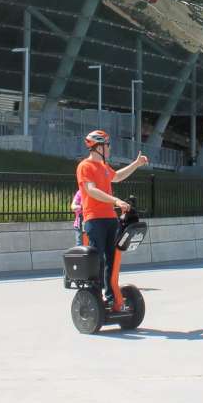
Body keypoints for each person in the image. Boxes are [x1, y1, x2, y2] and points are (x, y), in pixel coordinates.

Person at [76, 130, 149, 307]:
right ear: (98, 146)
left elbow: (117, 176)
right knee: (97, 259)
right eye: (107, 145)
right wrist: (115, 200)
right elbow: (91, 190)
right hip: (94, 219)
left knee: (112, 260)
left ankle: (110, 297)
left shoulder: (103, 166)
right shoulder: (85, 166)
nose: (109, 148)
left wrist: (136, 164)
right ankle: (94, 297)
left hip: (110, 219)